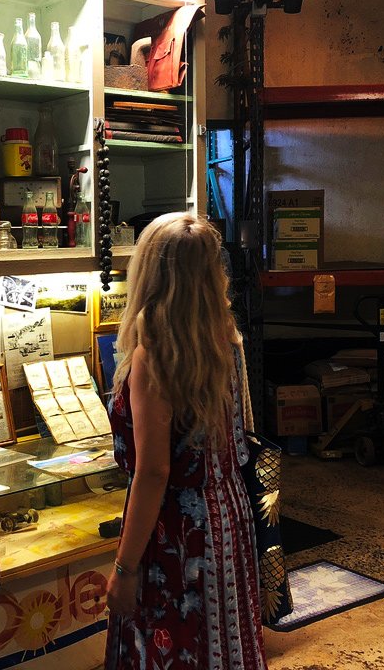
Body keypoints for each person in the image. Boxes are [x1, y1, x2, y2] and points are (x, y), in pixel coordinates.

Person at [104, 212, 267, 669]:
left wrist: (124, 568)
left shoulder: (153, 355)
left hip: (175, 529)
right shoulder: (226, 338)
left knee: (170, 646)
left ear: (149, 273)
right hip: (228, 514)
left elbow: (154, 472)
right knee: (224, 641)